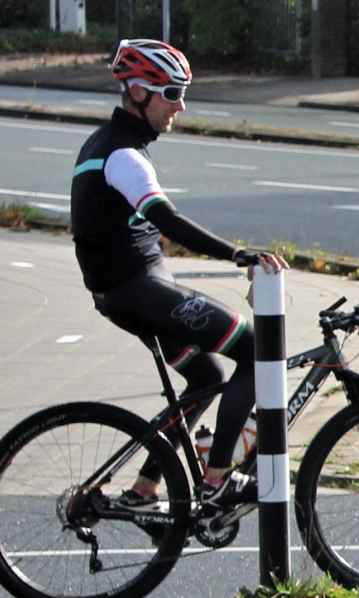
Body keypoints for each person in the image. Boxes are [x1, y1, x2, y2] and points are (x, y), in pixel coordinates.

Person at [71, 40, 286, 505]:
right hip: (138, 291)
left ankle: (145, 487)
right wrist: (238, 254)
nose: (180, 105)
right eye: (171, 92)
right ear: (137, 92)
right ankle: (217, 479)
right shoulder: (123, 154)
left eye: (182, 92)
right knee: (257, 350)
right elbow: (164, 217)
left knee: (208, 377)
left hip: (128, 292)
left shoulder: (106, 142)